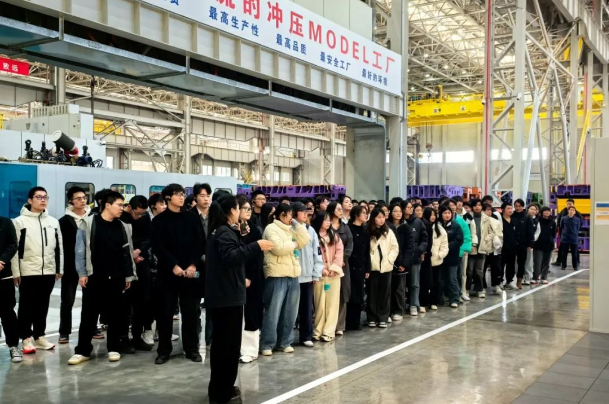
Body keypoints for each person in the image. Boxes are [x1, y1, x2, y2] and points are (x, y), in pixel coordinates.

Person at [68, 190, 136, 365]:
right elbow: (80, 250)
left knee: (116, 314)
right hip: (95, 276)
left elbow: (127, 252)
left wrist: (129, 275)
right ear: (107, 205)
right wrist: (82, 273)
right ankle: (82, 350)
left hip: (117, 277)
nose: (122, 208)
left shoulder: (124, 226)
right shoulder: (88, 223)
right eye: (119, 205)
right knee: (89, 315)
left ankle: (113, 348)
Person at [151, 184, 205, 365]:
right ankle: (164, 350)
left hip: (189, 274)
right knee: (165, 313)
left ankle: (192, 349)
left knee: (191, 313)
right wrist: (173, 265)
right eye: (177, 194)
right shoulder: (159, 221)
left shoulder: (191, 218)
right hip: (167, 274)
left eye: (182, 194)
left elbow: (200, 242)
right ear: (167, 198)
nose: (181, 197)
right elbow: (158, 247)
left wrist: (193, 265)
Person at [11, 186, 63, 354]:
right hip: (27, 271)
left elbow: (59, 248)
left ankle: (39, 336)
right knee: (26, 306)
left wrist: (59, 268)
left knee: (43, 305)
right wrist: (16, 272)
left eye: (45, 197)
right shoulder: (19, 222)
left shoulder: (53, 222)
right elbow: (14, 249)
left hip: (48, 271)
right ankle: (26, 338)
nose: (43, 200)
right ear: (30, 200)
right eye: (39, 197)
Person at [260, 203, 310, 356]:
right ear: (280, 215)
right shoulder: (271, 228)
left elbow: (306, 239)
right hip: (276, 275)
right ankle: (267, 344)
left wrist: (295, 223)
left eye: (291, 215)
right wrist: (295, 244)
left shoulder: (291, 228)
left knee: (290, 312)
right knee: (273, 312)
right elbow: (278, 248)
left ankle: (284, 342)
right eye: (288, 215)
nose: (290, 218)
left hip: (293, 274)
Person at [120, 195, 154, 352]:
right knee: (125, 304)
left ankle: (137, 336)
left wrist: (139, 251)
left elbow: (148, 237)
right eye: (137, 213)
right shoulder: (121, 217)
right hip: (125, 266)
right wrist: (130, 254)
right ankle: (123, 339)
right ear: (130, 208)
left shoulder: (145, 217)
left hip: (141, 262)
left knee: (142, 301)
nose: (140, 216)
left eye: (143, 213)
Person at [58, 186, 91, 345]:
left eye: (84, 197)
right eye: (78, 198)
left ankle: (92, 328)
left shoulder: (93, 218)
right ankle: (64, 332)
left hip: (89, 265)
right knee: (67, 301)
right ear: (71, 201)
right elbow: (60, 246)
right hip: (70, 266)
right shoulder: (63, 221)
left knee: (90, 300)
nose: (82, 201)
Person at [311, 212, 344, 341]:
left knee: (332, 304)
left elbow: (339, 253)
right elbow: (312, 255)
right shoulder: (313, 236)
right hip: (319, 275)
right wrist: (321, 270)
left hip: (333, 275)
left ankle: (329, 332)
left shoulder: (335, 236)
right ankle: (318, 330)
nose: (328, 222)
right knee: (319, 304)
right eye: (325, 220)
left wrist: (334, 268)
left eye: (329, 220)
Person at [294, 202, 323, 348]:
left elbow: (317, 253)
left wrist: (316, 273)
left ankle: (306, 336)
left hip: (307, 276)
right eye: (302, 211)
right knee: (291, 309)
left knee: (306, 308)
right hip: (292, 275)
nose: (306, 214)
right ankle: (285, 338)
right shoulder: (289, 229)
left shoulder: (310, 230)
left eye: (307, 211)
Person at [367, 208, 399, 328]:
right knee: (372, 293)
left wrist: (389, 260)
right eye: (379, 217)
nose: (381, 220)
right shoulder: (368, 231)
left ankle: (383, 317)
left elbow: (395, 248)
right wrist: (372, 261)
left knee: (385, 293)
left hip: (386, 267)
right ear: (373, 218)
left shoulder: (389, 231)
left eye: (383, 217)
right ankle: (371, 317)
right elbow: (366, 249)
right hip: (373, 267)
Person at [326, 202, 353, 336]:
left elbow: (349, 245)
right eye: (338, 209)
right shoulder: (326, 226)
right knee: (329, 294)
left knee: (343, 293)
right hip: (328, 265)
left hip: (343, 265)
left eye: (342, 209)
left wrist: (342, 259)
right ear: (332, 211)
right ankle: (328, 325)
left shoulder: (345, 227)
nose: (341, 211)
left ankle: (340, 325)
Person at [191, 183, 212, 347]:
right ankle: (194, 335)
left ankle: (211, 338)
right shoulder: (189, 216)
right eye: (202, 196)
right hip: (195, 266)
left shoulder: (216, 215)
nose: (206, 199)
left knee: (212, 302)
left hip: (213, 266)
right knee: (193, 303)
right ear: (195, 197)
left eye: (208, 196)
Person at [401, 201, 428, 317]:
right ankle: (401, 305)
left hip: (415, 256)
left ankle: (414, 304)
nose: (410, 209)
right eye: (408, 207)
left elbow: (424, 239)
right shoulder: (400, 222)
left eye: (411, 207)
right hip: (401, 257)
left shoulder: (418, 222)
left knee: (414, 283)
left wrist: (419, 250)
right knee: (401, 284)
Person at [346, 206, 370, 330]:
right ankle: (348, 322)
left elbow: (367, 252)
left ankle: (356, 321)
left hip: (361, 266)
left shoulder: (365, 230)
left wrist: (367, 268)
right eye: (363, 213)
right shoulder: (348, 228)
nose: (366, 215)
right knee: (351, 294)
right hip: (350, 266)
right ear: (356, 215)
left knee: (359, 294)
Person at [0, 214, 20, 362]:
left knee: (7, 312)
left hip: (4, 276)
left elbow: (13, 244)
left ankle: (13, 346)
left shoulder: (5, 222)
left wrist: (2, 261)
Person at [437, 205, 464, 308]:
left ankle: (455, 299)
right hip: (439, 257)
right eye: (445, 213)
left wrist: (446, 246)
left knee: (452, 279)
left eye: (449, 213)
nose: (447, 215)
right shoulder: (437, 226)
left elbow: (459, 240)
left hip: (452, 257)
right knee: (440, 279)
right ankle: (439, 299)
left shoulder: (456, 226)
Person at [447, 199, 472, 302]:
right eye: (450, 205)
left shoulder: (461, 221)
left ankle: (462, 292)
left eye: (454, 205)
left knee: (461, 274)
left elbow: (467, 236)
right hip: (446, 253)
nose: (452, 207)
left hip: (460, 252)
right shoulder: (442, 221)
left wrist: (463, 250)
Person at [426, 208, 448, 311]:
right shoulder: (423, 226)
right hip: (425, 260)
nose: (432, 217)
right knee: (425, 282)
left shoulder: (440, 229)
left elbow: (445, 245)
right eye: (430, 215)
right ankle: (424, 302)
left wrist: (440, 255)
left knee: (436, 282)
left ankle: (433, 302)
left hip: (436, 260)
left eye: (434, 215)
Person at [467, 198, 489, 298]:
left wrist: (487, 240)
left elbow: (491, 232)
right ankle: (467, 289)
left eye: (479, 205)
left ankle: (479, 289)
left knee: (479, 270)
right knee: (469, 270)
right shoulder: (468, 217)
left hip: (482, 247)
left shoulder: (486, 218)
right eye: (475, 205)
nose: (477, 207)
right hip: (471, 247)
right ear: (472, 207)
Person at [481, 203, 504, 295]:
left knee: (496, 267)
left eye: (490, 210)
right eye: (487, 210)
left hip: (494, 248)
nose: (489, 212)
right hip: (484, 248)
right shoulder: (480, 221)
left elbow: (500, 234)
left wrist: (496, 240)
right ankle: (482, 286)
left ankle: (496, 285)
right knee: (482, 268)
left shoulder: (496, 221)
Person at [553, 199, 583, 266]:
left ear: (573, 205)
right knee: (561, 248)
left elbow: (580, 224)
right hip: (564, 235)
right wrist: (559, 230)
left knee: (575, 249)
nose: (569, 205)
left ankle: (577, 262)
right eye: (568, 204)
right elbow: (559, 222)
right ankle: (559, 261)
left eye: (570, 204)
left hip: (573, 235)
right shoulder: (562, 212)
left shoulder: (577, 213)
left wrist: (575, 231)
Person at [534, 206, 556, 284]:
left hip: (549, 244)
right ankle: (535, 277)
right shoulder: (537, 221)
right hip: (539, 244)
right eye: (545, 211)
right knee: (538, 262)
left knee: (546, 262)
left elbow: (554, 234)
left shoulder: (552, 222)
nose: (547, 212)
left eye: (548, 211)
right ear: (542, 212)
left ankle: (544, 277)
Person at [501, 203, 518, 290]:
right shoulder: (500, 220)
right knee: (501, 264)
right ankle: (500, 281)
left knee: (511, 265)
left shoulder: (514, 220)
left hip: (512, 247)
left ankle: (509, 281)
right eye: (508, 208)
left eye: (511, 208)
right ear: (503, 209)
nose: (510, 210)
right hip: (502, 247)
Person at [560, 206, 581, 271]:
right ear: (568, 211)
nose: (571, 211)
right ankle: (563, 266)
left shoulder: (577, 220)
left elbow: (578, 228)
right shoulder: (563, 218)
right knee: (564, 253)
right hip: (565, 238)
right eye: (570, 210)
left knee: (574, 254)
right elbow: (561, 227)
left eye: (573, 210)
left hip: (574, 239)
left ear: (575, 212)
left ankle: (575, 266)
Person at [523, 204, 539, 285]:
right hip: (522, 243)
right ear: (527, 209)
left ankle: (528, 277)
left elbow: (537, 232)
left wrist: (531, 240)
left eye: (534, 209)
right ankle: (520, 278)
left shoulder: (536, 221)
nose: (533, 211)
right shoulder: (523, 218)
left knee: (529, 262)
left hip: (530, 244)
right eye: (531, 209)